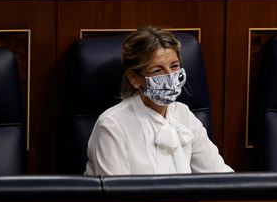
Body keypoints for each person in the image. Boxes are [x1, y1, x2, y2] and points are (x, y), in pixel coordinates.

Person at [85, 26, 233, 175]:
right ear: (134, 78)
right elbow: (116, 194)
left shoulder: (184, 114)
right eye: (157, 70)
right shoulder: (111, 126)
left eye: (174, 66)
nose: (170, 76)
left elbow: (219, 176)